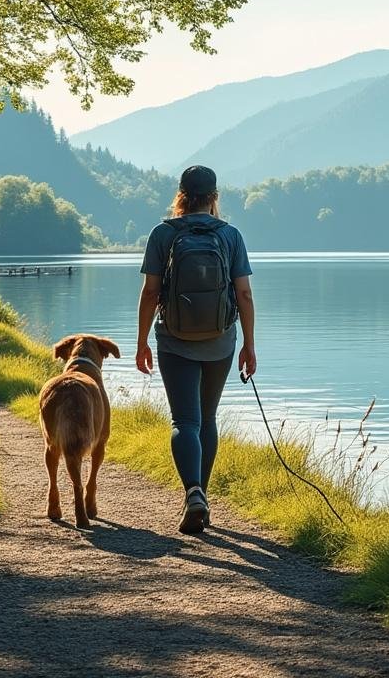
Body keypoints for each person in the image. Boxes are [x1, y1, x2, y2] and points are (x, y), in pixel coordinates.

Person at [135, 165, 256, 534]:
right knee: (207, 419)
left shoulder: (163, 234)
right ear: (214, 196)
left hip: (174, 339)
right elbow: (244, 294)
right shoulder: (230, 235)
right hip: (220, 341)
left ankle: (193, 494)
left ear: (181, 196)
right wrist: (249, 345)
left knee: (184, 421)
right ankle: (201, 496)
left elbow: (151, 292)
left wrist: (140, 341)